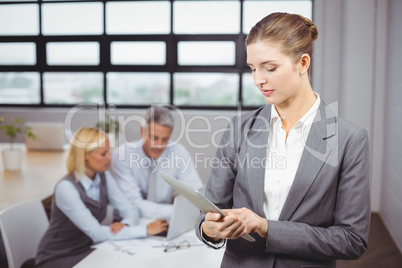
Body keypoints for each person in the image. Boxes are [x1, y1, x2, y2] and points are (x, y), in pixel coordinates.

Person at [195, 12, 370, 267]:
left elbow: (351, 240)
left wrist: (267, 228)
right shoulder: (239, 129)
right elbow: (208, 212)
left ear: (303, 63)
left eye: (270, 67)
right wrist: (210, 228)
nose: (258, 80)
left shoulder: (349, 139)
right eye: (253, 68)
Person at [35, 127, 168, 268]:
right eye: (103, 154)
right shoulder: (66, 188)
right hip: (57, 257)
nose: (110, 158)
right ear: (84, 155)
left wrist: (126, 225)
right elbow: (96, 233)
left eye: (108, 151)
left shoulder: (103, 177)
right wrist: (146, 230)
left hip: (87, 249)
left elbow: (130, 209)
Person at [111, 106, 203, 220]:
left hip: (165, 220)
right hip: (128, 222)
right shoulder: (122, 155)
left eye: (165, 139)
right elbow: (134, 204)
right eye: (154, 138)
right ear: (142, 132)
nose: (159, 145)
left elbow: (196, 193)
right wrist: (178, 211)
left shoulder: (178, 151)